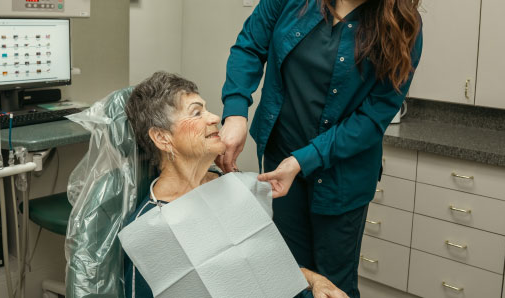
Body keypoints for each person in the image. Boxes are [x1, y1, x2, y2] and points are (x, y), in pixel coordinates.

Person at [218, 0, 425, 297]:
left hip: (342, 177)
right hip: (281, 158)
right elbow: (250, 45)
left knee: (332, 284)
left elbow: (371, 119)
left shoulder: (402, 28)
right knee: (286, 275)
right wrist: (236, 112)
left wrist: (304, 160)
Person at [122, 71, 348, 298]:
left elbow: (268, 263)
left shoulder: (233, 186)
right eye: (197, 112)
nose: (214, 118)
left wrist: (315, 281)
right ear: (162, 138)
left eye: (207, 109)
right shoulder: (150, 229)